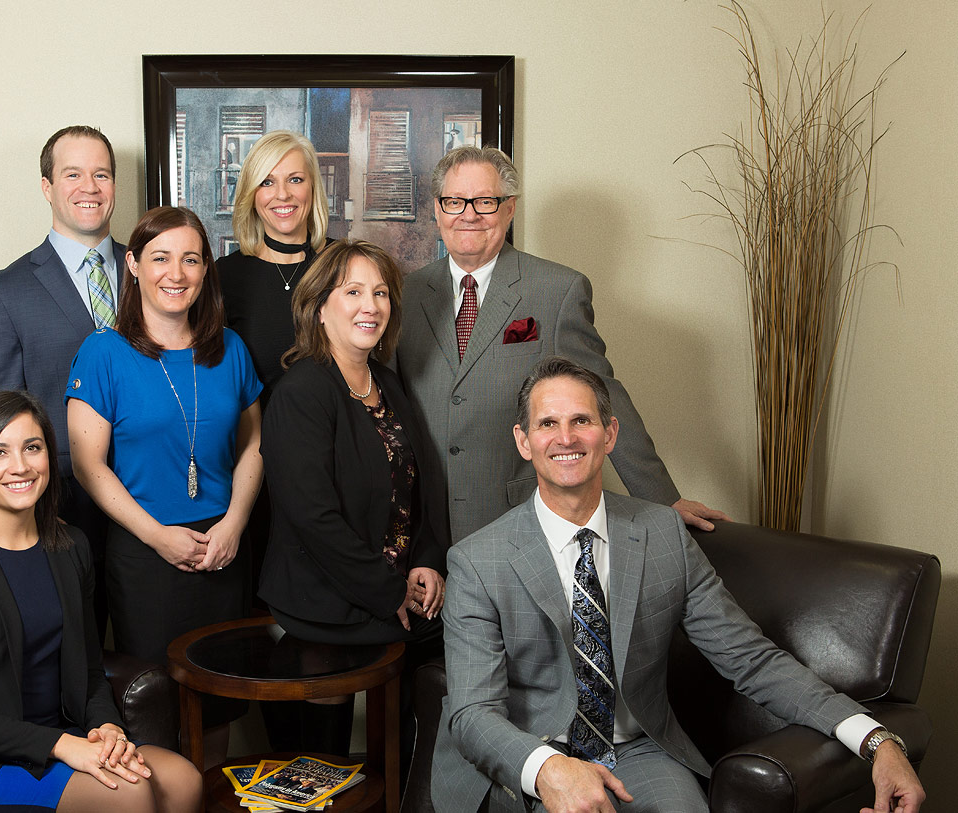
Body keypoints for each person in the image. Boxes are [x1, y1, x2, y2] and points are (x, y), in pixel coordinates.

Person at [431, 357, 926, 813]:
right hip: (526, 756)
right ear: (524, 441)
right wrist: (547, 770)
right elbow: (474, 713)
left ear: (610, 432)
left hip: (637, 750)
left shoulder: (662, 534)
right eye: (548, 423)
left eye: (582, 420)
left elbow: (750, 659)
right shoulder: (477, 561)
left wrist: (876, 739)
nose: (566, 437)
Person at [0, 391, 201, 813]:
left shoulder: (71, 549)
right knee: (129, 793)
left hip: (64, 738)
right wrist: (63, 746)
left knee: (184, 780)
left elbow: (88, 672)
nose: (21, 466)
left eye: (33, 447)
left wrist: (106, 728)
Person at [394, 146, 728, 543]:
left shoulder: (557, 290)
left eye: (484, 201)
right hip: (419, 526)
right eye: (454, 202)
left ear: (509, 208)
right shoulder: (403, 293)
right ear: (437, 209)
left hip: (517, 519)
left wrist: (662, 499)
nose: (469, 214)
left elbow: (603, 394)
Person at [67, 206, 263, 766]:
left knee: (220, 704)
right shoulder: (103, 352)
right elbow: (89, 466)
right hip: (145, 555)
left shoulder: (230, 348)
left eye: (190, 259)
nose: (175, 273)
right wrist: (158, 536)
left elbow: (255, 445)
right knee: (155, 707)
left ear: (205, 271)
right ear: (132, 266)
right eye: (159, 258)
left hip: (224, 550)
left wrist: (234, 523)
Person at [259, 240, 448, 761]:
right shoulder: (302, 392)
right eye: (354, 292)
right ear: (320, 307)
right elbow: (313, 518)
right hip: (329, 605)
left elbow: (418, 485)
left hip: (400, 595)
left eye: (381, 293)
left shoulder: (384, 382)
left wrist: (428, 562)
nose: (371, 306)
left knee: (427, 724)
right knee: (325, 766)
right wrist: (389, 591)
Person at [0, 125, 122, 633]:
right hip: (63, 510)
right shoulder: (4, 293)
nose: (89, 187)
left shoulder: (155, 272)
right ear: (47, 186)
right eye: (72, 174)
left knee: (160, 660)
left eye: (101, 174)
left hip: (159, 499)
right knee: (76, 661)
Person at [217, 129, 333, 606]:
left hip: (330, 472)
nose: (282, 195)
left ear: (313, 189)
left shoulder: (344, 267)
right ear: (250, 196)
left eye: (294, 180)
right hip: (249, 473)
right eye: (267, 182)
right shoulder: (223, 277)